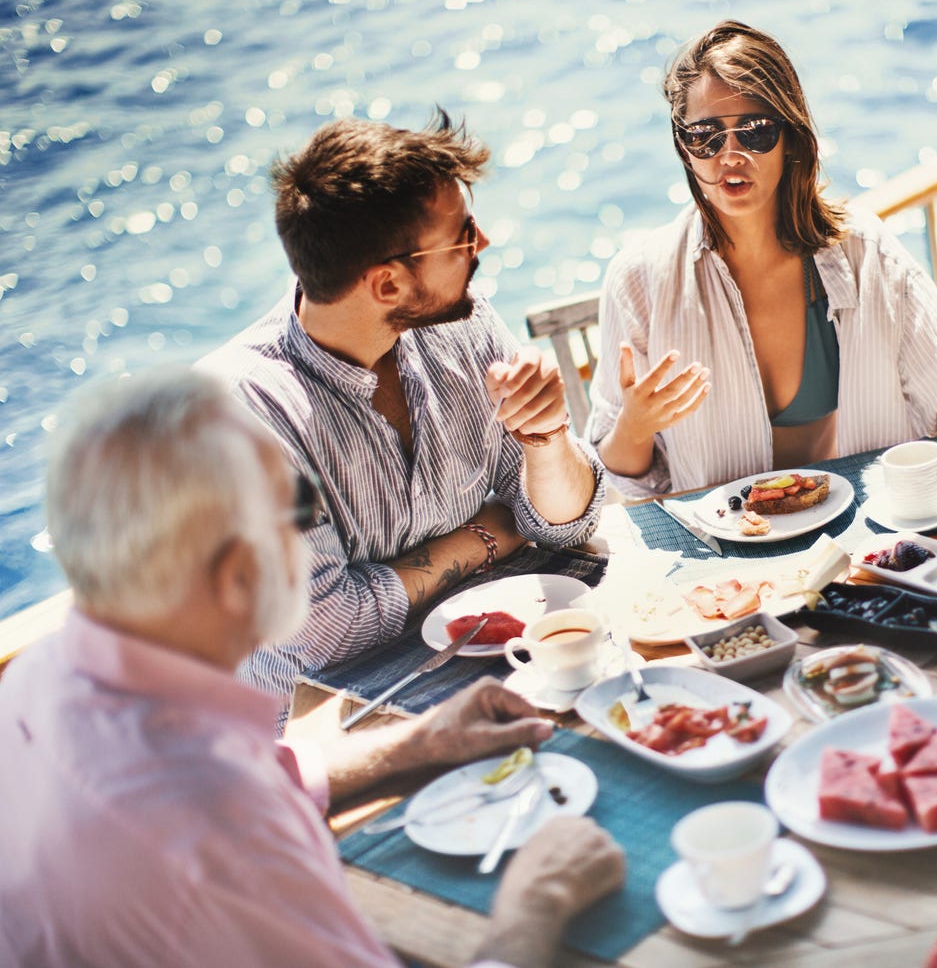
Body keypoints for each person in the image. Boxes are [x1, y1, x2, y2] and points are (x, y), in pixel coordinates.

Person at [0, 367, 625, 968]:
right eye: (302, 511)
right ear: (237, 575)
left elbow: (232, 774)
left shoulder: (42, 676)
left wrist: (419, 742)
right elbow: (210, 810)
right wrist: (536, 905)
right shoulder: (221, 845)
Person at [199, 111, 604, 717]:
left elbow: (559, 526)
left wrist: (548, 443)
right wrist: (487, 535)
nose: (483, 243)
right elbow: (325, 630)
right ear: (387, 285)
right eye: (464, 235)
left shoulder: (461, 324)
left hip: (482, 655)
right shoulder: (240, 416)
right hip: (327, 721)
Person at [586, 19, 937, 498]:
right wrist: (636, 423)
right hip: (725, 554)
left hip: (865, 536)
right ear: (684, 148)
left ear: (791, 137)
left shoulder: (865, 252)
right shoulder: (639, 281)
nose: (730, 154)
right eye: (705, 136)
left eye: (754, 131)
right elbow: (619, 478)